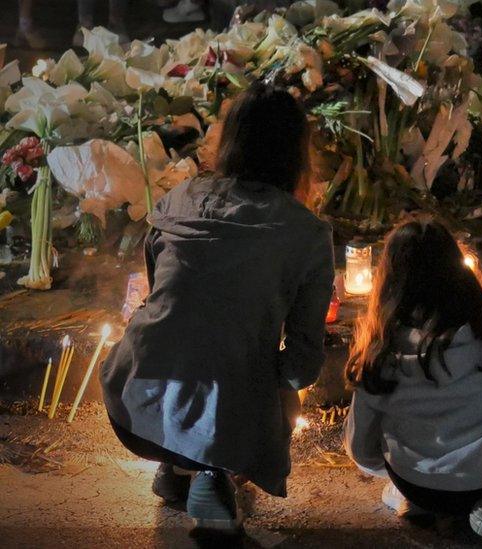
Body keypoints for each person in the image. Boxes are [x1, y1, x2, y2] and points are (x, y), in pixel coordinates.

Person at [100, 81, 334, 532]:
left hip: (132, 396)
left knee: (196, 353)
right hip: (220, 415)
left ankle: (179, 464)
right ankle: (215, 472)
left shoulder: (179, 198)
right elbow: (303, 364)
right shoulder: (306, 233)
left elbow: (161, 298)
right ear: (296, 153)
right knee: (261, 383)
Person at [343, 216, 482, 545]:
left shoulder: (383, 350)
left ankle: (424, 506)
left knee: (403, 484)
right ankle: (481, 510)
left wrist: (389, 468)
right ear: (457, 271)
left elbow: (359, 445)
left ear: (390, 280)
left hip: (415, 481)